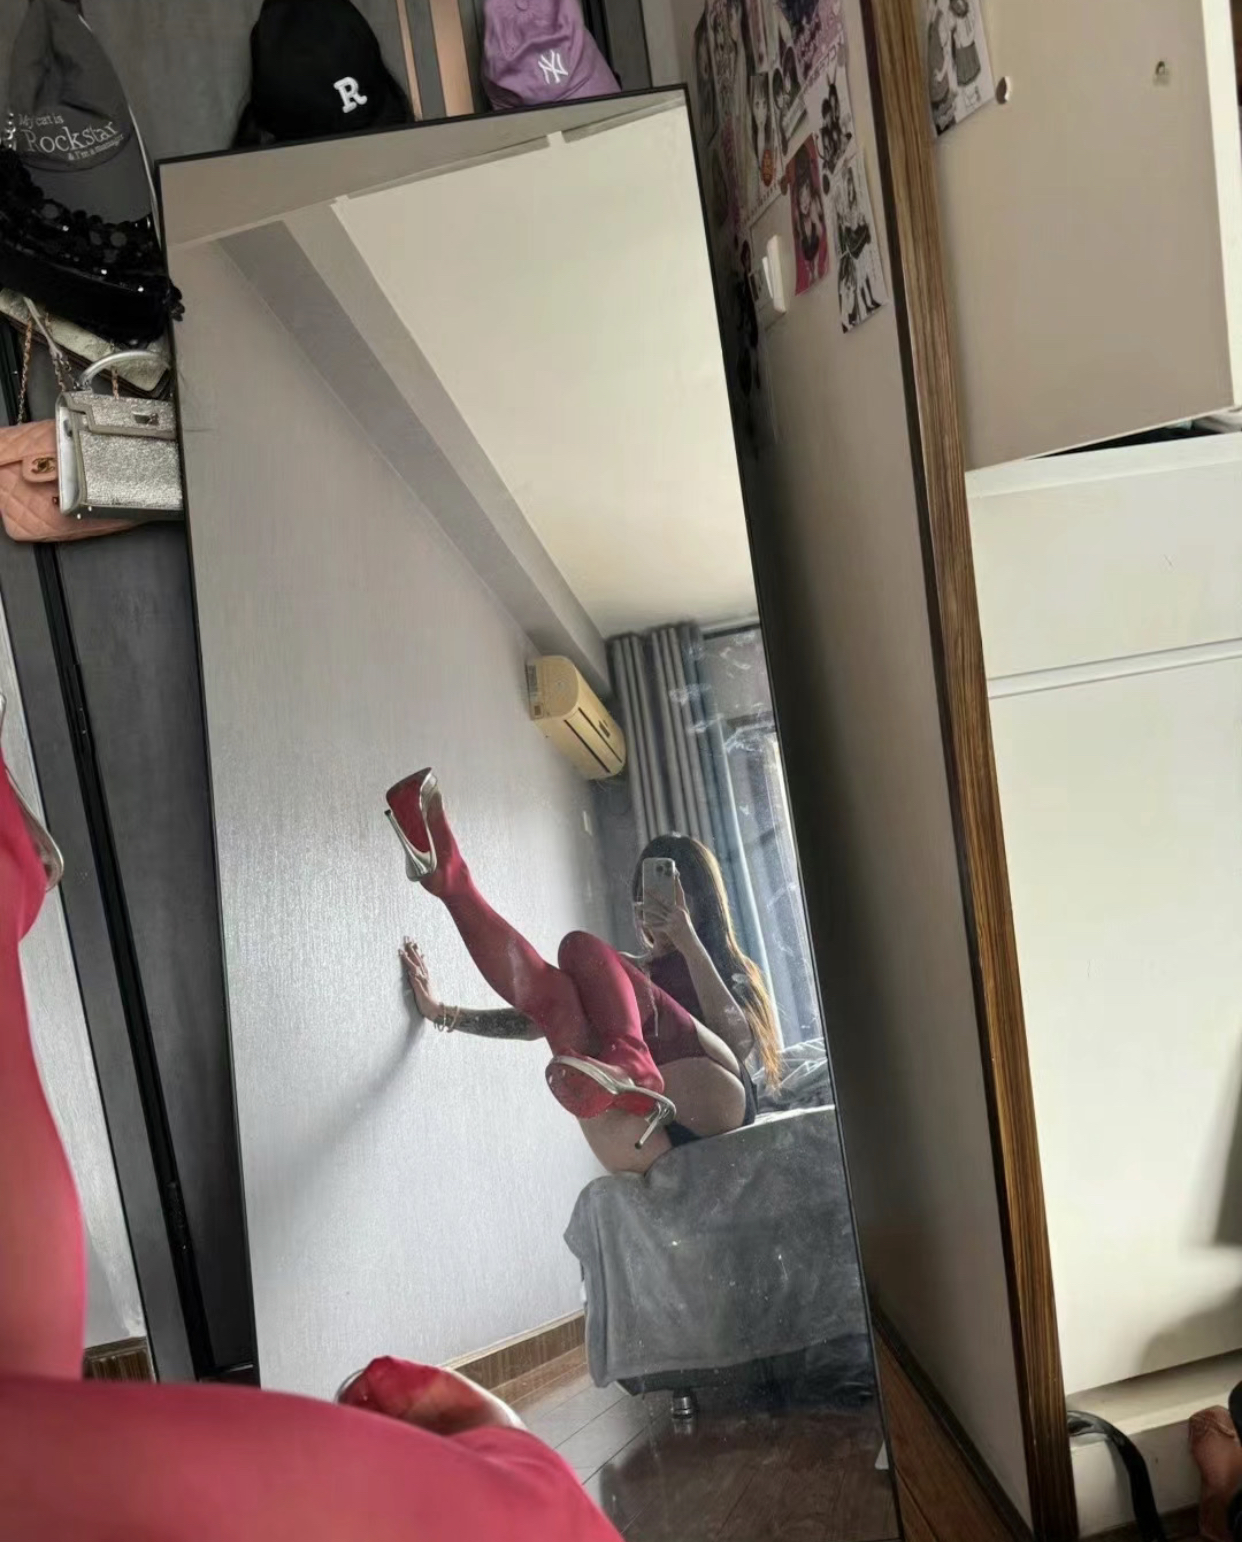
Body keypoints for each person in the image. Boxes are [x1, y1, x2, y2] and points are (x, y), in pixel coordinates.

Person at [0, 705, 622, 1541]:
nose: (51, 859)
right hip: (641, 1086)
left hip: (680, 1096)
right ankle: (456, 885)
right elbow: (544, 1020)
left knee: (582, 979)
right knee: (575, 976)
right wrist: (443, 1014)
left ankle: (454, 881)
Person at [388, 770, 780, 1176]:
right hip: (644, 1134)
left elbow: (738, 1043)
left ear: (702, 902)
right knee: (560, 995)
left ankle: (632, 1059)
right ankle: (453, 885)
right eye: (645, 894)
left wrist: (687, 941)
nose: (654, 904)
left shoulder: (722, 965)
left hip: (716, 1103)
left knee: (581, 949)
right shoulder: (623, 973)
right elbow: (531, 1021)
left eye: (671, 894)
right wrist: (444, 1014)